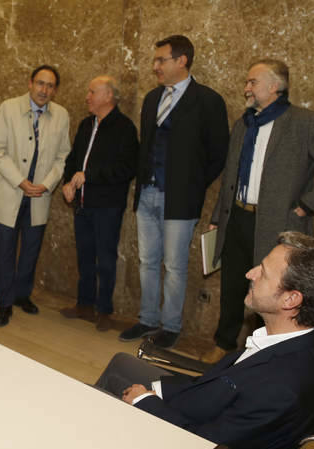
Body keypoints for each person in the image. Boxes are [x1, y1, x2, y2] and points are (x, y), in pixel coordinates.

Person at [96, 231, 314, 449]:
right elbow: (222, 384)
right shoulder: (296, 342)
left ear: (290, 300)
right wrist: (160, 392)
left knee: (97, 396)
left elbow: (205, 448)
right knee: (121, 363)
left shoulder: (282, 388)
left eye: (263, 273)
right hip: (210, 407)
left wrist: (146, 402)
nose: (250, 274)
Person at [206, 59, 314, 362]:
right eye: (247, 82)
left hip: (277, 224)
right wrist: (218, 217)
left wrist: (308, 204)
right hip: (237, 218)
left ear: (274, 86)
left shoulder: (303, 122)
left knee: (271, 292)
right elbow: (231, 174)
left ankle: (262, 355)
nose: (246, 88)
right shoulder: (244, 124)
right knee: (232, 286)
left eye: (252, 82)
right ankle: (224, 344)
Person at [119, 35, 229, 348]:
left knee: (175, 266)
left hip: (180, 199)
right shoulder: (153, 98)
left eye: (161, 60)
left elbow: (218, 153)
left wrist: (192, 183)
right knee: (147, 261)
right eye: (155, 60)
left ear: (182, 61)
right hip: (147, 194)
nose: (155, 66)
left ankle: (170, 326)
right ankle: (147, 319)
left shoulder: (208, 101)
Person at [0, 64, 71, 327]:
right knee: (5, 250)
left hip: (39, 195)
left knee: (31, 250)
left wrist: (46, 184)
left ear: (55, 90)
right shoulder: (8, 108)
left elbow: (63, 156)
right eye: (40, 83)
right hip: (10, 191)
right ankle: (4, 303)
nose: (44, 90)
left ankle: (22, 295)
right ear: (30, 83)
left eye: (50, 86)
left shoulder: (61, 115)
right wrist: (21, 181)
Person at [60, 75, 138, 331]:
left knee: (105, 260)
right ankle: (84, 304)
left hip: (107, 206)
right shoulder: (86, 124)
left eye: (93, 92)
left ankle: (104, 310)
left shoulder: (124, 128)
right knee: (84, 257)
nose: (88, 97)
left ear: (108, 96)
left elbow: (127, 168)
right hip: (82, 204)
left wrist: (89, 176)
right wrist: (67, 182)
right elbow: (73, 159)